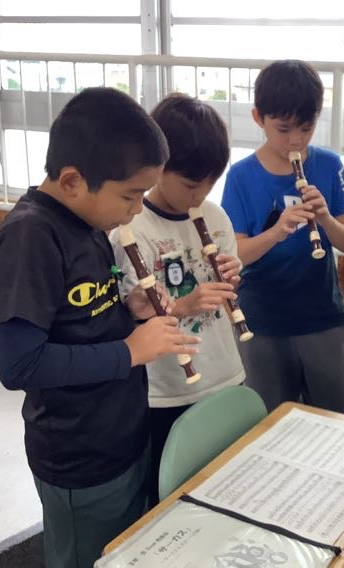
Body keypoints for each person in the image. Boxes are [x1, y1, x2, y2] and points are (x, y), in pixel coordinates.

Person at [0, 87, 199, 568]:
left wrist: (129, 311)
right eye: (130, 195)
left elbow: (80, 319)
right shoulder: (30, 238)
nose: (138, 208)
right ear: (73, 181)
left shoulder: (89, 224)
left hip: (119, 435)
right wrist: (131, 351)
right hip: (77, 455)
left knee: (122, 551)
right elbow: (19, 364)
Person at [110, 92, 246, 507]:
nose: (199, 195)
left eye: (210, 183)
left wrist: (231, 279)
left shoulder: (215, 217)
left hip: (225, 373)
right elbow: (134, 312)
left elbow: (226, 289)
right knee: (170, 496)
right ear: (159, 167)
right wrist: (185, 304)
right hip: (167, 391)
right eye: (190, 184)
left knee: (227, 487)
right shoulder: (131, 228)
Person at [220, 59, 344, 414]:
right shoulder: (240, 176)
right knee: (269, 420)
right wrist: (277, 232)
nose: (296, 140)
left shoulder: (330, 165)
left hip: (322, 316)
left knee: (336, 418)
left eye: (306, 127)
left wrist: (325, 217)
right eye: (283, 129)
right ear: (258, 118)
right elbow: (237, 253)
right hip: (261, 320)